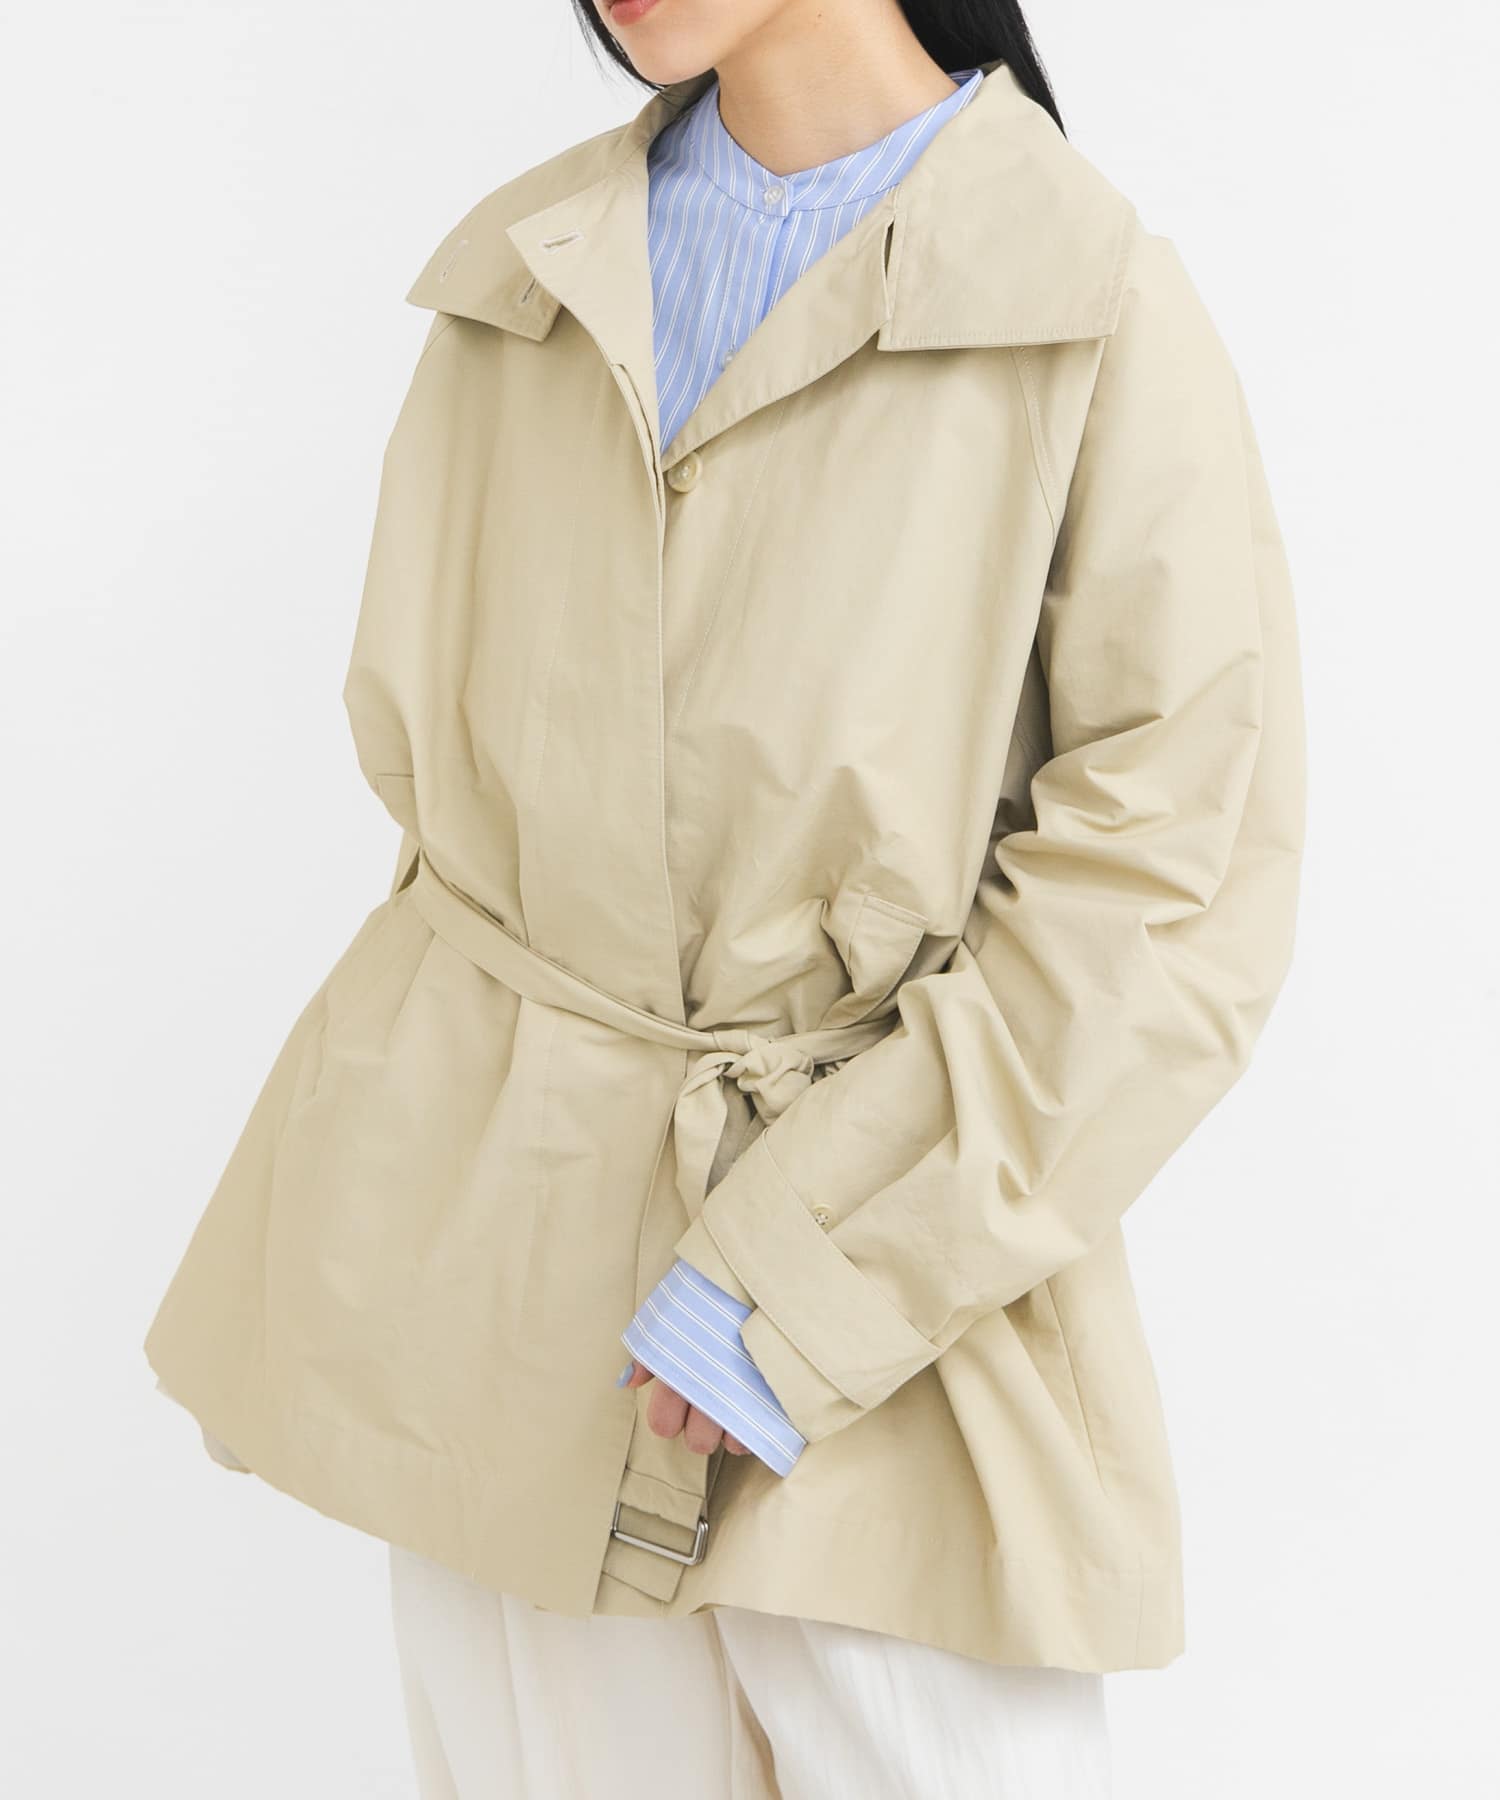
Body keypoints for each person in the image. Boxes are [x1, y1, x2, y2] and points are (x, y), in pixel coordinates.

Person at [144, 0, 1306, 1792]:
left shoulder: (1088, 298)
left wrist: (793, 1289)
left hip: (897, 1282)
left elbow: (1166, 894)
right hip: (503, 1272)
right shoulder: (527, 274)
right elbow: (442, 802)